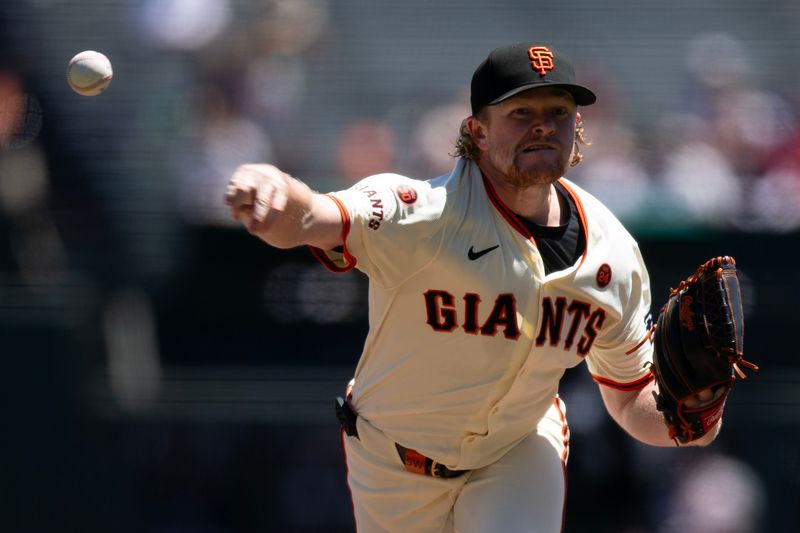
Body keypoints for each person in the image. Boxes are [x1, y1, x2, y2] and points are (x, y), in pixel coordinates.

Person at [225, 42, 720, 532]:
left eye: (559, 111)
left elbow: (632, 400)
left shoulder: (614, 254)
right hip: (393, 460)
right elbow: (311, 215)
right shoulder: (422, 213)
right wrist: (272, 186)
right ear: (477, 132)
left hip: (516, 450)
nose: (544, 125)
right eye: (522, 111)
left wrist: (696, 412)